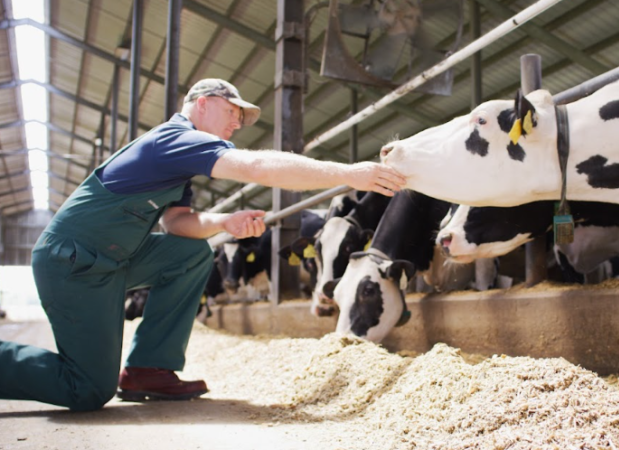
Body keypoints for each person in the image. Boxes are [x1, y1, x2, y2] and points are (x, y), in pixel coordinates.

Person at [0, 78, 406, 411]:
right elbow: (255, 166)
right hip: (73, 264)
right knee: (86, 389)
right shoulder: (174, 140)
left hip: (111, 260)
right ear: (204, 103)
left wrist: (224, 222)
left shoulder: (178, 166)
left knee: (192, 254)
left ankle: (148, 368)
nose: (236, 124)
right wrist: (348, 173)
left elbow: (178, 224)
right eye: (233, 113)